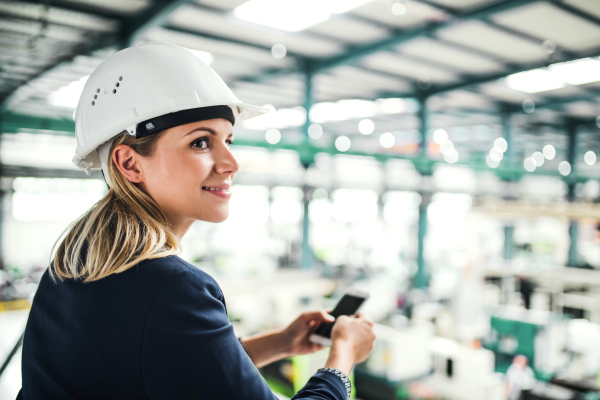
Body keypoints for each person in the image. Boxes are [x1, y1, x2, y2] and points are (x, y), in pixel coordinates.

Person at [17, 43, 376, 400]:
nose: (231, 163)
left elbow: (174, 371)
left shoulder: (75, 262)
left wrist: (280, 342)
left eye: (229, 140)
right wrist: (341, 360)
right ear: (130, 164)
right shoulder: (172, 288)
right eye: (201, 142)